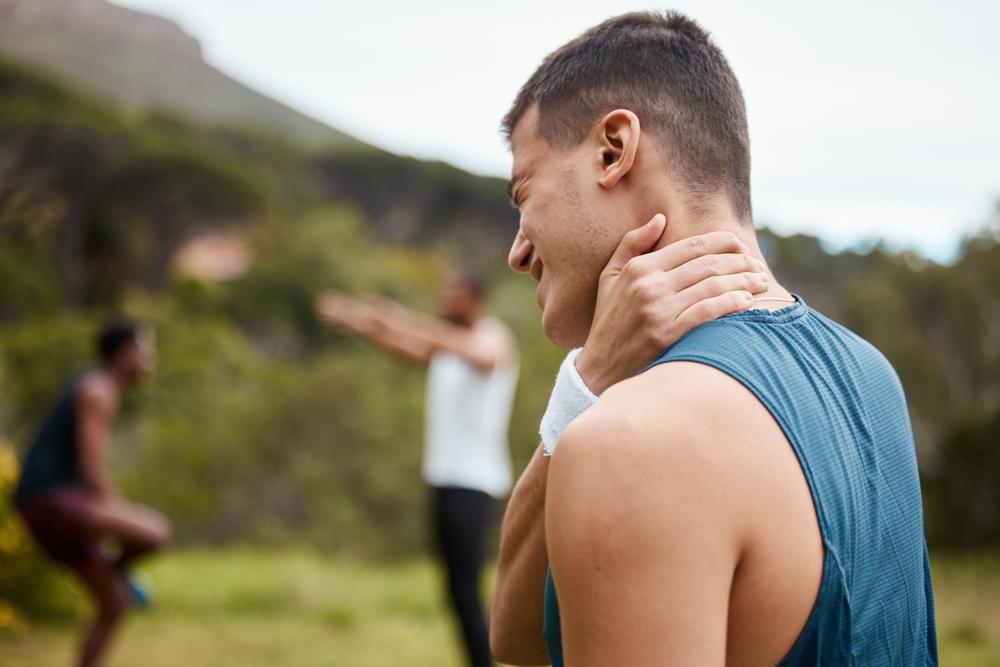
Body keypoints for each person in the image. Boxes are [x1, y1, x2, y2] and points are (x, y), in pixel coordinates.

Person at [490, 11, 936, 667]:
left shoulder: (635, 442)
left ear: (613, 149)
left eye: (523, 192)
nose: (517, 250)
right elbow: (516, 633)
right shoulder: (872, 375)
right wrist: (585, 383)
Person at [316, 275, 518, 667]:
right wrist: (363, 324)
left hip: (474, 483)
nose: (446, 302)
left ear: (477, 300)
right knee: (455, 589)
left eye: (455, 298)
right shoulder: (447, 346)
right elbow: (412, 348)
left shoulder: (493, 338)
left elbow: (469, 351)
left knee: (466, 588)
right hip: (443, 479)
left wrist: (395, 315)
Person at [14, 322, 171, 667]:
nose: (151, 359)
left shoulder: (98, 387)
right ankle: (120, 572)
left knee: (114, 603)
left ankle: (116, 578)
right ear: (124, 354)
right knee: (154, 531)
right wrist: (119, 513)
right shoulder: (98, 390)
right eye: (146, 349)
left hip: (48, 504)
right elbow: (91, 472)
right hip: (50, 500)